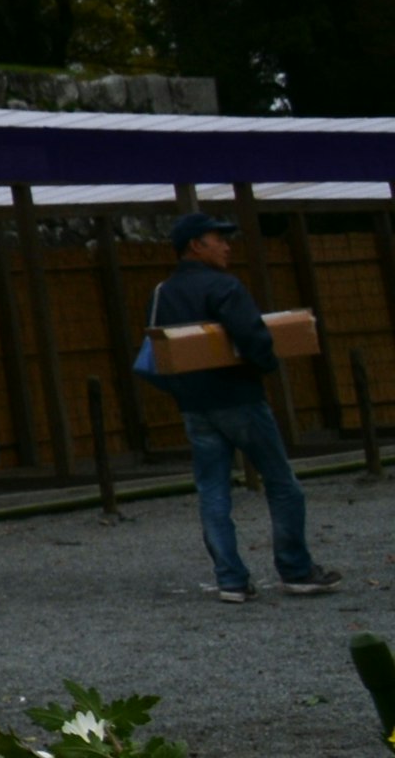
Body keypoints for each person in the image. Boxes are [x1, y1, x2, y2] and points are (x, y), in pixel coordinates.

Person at [144, 212, 334, 604]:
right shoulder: (225, 286)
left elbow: (158, 351)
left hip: (195, 405)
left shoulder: (163, 291)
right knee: (282, 484)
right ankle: (296, 569)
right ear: (196, 245)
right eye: (219, 239)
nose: (228, 245)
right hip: (239, 398)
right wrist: (266, 364)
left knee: (213, 490)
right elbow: (253, 337)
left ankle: (230, 578)